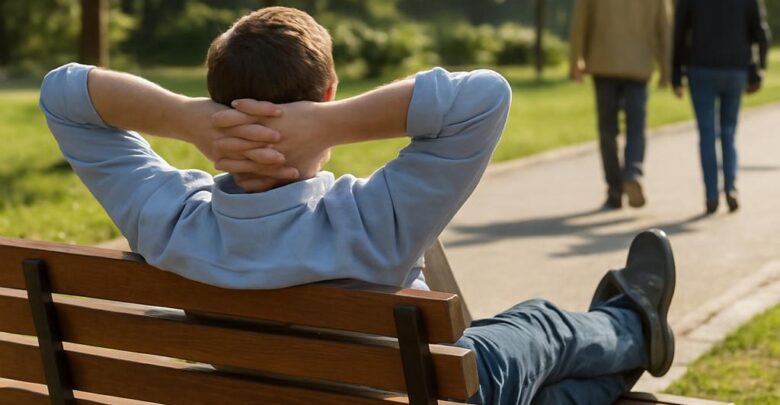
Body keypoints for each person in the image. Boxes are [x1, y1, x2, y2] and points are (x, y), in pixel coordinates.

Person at [40, 7, 675, 404]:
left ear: (215, 100)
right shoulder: (370, 220)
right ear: (330, 93)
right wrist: (331, 126)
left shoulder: (167, 219)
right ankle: (634, 320)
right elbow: (482, 96)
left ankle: (626, 343)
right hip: (418, 394)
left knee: (539, 386)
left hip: (250, 395)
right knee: (533, 328)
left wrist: (184, 120)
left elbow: (63, 93)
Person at [569, 0, 673, 209]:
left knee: (608, 130)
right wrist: (666, 68)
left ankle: (614, 190)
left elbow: (581, 19)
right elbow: (664, 25)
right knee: (636, 126)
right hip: (639, 64)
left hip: (603, 62)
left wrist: (575, 60)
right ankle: (633, 171)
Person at [672, 0, 771, 215]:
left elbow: (679, 31)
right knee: (728, 131)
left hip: (701, 68)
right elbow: (760, 32)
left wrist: (675, 74)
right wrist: (759, 68)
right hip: (735, 68)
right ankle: (731, 187)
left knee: (707, 133)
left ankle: (711, 195)